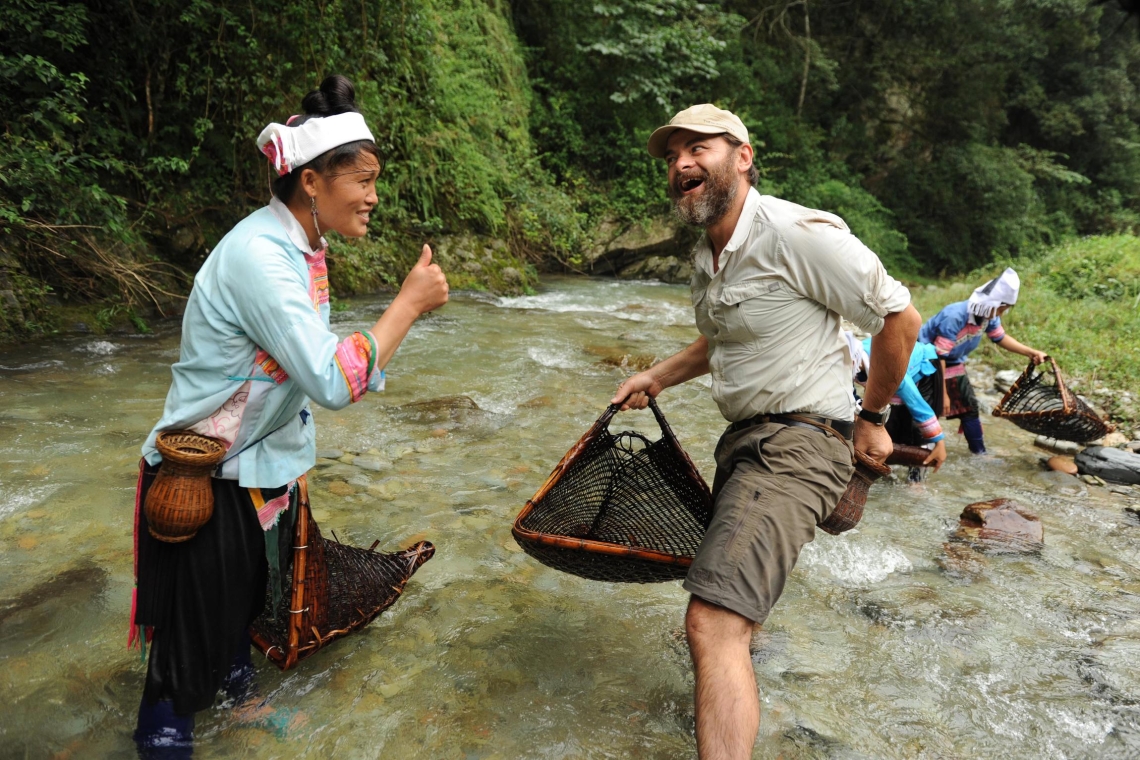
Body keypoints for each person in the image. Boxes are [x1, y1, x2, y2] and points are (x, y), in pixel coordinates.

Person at [130, 75, 448, 756]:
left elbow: (302, 373)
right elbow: (332, 379)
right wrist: (408, 306)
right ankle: (163, 738)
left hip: (255, 469)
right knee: (181, 662)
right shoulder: (259, 258)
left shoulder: (304, 250)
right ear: (311, 181)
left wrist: (290, 469)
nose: (373, 195)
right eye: (361, 179)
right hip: (204, 476)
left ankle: (240, 700)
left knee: (243, 608)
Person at [612, 104, 921, 760]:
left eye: (698, 148)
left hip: (798, 445)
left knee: (712, 620)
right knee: (725, 613)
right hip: (746, 446)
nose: (680, 165)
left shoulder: (796, 234)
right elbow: (721, 336)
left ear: (743, 156)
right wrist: (660, 376)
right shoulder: (707, 256)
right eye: (671, 157)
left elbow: (899, 318)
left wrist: (873, 417)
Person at [917, 268, 1046, 454]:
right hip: (928, 362)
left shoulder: (987, 316)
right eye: (1002, 308)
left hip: (953, 363)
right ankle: (919, 463)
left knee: (969, 409)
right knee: (930, 411)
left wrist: (1030, 352)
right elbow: (939, 355)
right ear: (992, 303)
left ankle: (980, 454)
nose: (1002, 313)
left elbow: (1000, 337)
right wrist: (943, 394)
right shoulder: (954, 316)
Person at [846, 331, 947, 477]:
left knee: (916, 429)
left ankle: (916, 478)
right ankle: (886, 469)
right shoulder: (848, 363)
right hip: (892, 373)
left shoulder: (887, 365)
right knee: (889, 422)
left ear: (854, 362)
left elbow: (917, 403)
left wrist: (939, 442)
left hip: (923, 367)